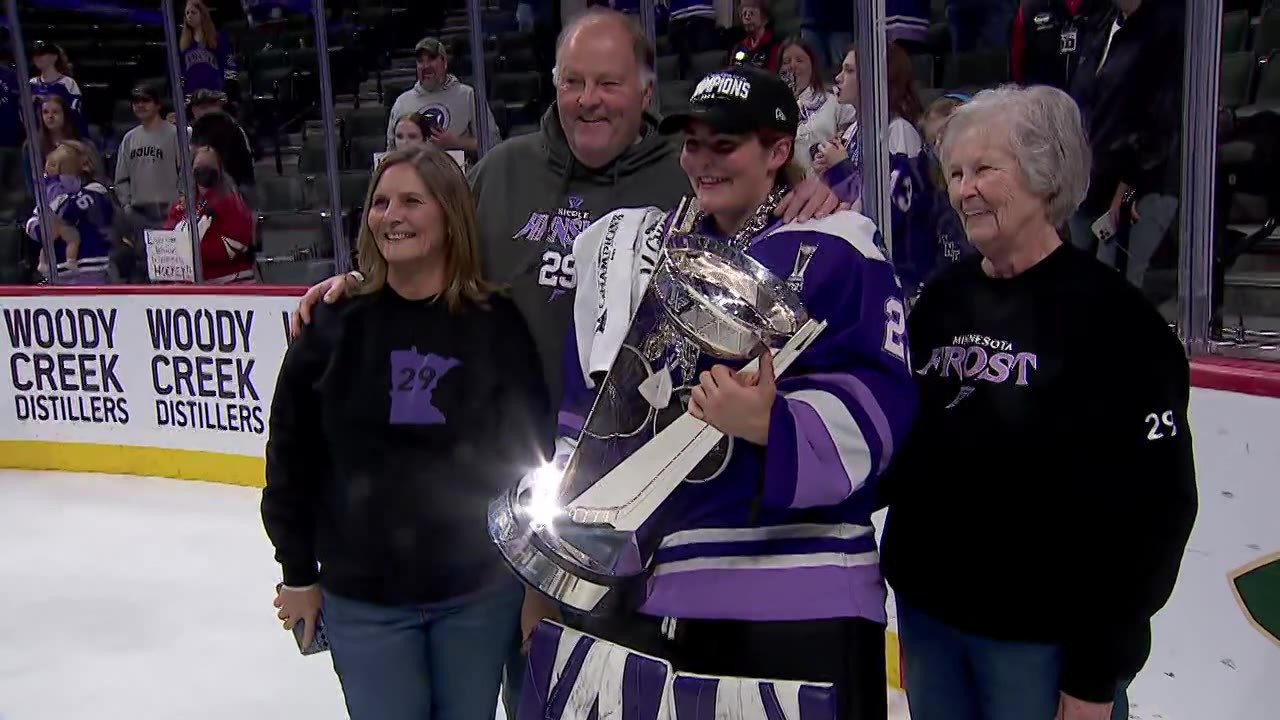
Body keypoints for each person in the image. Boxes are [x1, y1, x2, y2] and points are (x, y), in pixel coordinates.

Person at [539, 64, 916, 720]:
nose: (703, 161)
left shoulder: (839, 244)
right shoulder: (643, 252)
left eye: (725, 144)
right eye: (693, 144)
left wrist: (774, 424)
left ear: (777, 151)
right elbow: (596, 402)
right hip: (665, 602)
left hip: (804, 601)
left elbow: (883, 401)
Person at [293, 8, 839, 406]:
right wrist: (362, 281)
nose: (587, 99)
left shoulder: (693, 175)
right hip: (500, 454)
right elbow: (423, 247)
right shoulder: (502, 170)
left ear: (646, 93)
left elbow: (762, 225)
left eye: (608, 83)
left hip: (641, 460)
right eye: (572, 82)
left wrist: (812, 189)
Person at [878, 85, 1198, 720]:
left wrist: (1096, 673)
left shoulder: (1118, 322)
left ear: (1045, 175)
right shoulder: (939, 302)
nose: (964, 191)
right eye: (956, 173)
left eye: (985, 170)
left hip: (1042, 643)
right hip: (930, 622)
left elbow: (1153, 517)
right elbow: (900, 451)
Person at [262, 146, 551, 720]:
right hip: (364, 599)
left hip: (478, 595)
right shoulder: (332, 324)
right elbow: (291, 458)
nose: (391, 215)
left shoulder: (496, 324)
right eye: (381, 202)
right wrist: (297, 573)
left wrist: (537, 586)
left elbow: (533, 463)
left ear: (450, 215)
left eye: (413, 201)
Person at [817, 42, 936, 297]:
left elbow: (887, 215)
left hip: (899, 274)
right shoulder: (852, 130)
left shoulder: (899, 132)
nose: (838, 77)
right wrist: (825, 175)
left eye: (849, 71)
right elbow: (842, 200)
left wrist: (840, 169)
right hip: (857, 261)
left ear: (875, 79)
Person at [384, 37, 500, 155]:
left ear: (444, 63)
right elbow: (390, 152)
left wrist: (456, 142)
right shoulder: (402, 102)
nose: (425, 66)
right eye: (420, 61)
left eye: (431, 59)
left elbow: (493, 144)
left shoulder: (468, 96)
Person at [164, 140, 254, 283]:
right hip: (190, 283)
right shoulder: (181, 205)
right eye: (200, 167)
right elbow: (167, 240)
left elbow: (234, 244)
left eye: (209, 167)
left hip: (229, 281)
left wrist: (191, 252)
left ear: (219, 170)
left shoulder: (232, 203)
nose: (204, 171)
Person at [25, 140, 114, 284]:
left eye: (65, 152)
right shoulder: (50, 195)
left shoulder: (96, 191)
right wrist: (44, 230)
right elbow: (33, 221)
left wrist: (54, 220)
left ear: (84, 164)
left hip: (90, 270)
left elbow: (69, 213)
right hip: (57, 273)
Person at [114, 84, 181, 248]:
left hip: (171, 212)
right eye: (136, 101)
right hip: (139, 214)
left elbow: (185, 174)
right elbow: (121, 178)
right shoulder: (129, 138)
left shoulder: (176, 135)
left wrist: (180, 202)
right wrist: (127, 205)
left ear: (158, 104)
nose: (140, 105)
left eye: (145, 100)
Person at [780, 36, 854, 173]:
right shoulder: (775, 110)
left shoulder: (834, 98)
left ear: (812, 65)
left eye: (800, 60)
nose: (792, 66)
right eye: (786, 62)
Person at [180, 0, 237, 102]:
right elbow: (181, 72)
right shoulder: (184, 45)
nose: (189, 16)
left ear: (202, 14)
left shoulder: (218, 38)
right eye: (187, 13)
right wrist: (182, 92)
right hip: (192, 96)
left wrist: (230, 87)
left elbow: (228, 63)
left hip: (215, 92)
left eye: (193, 12)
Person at [729, 0, 782, 71]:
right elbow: (731, 71)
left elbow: (772, 75)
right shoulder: (739, 47)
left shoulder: (775, 46)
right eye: (744, 14)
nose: (747, 18)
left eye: (751, 14)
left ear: (765, 19)